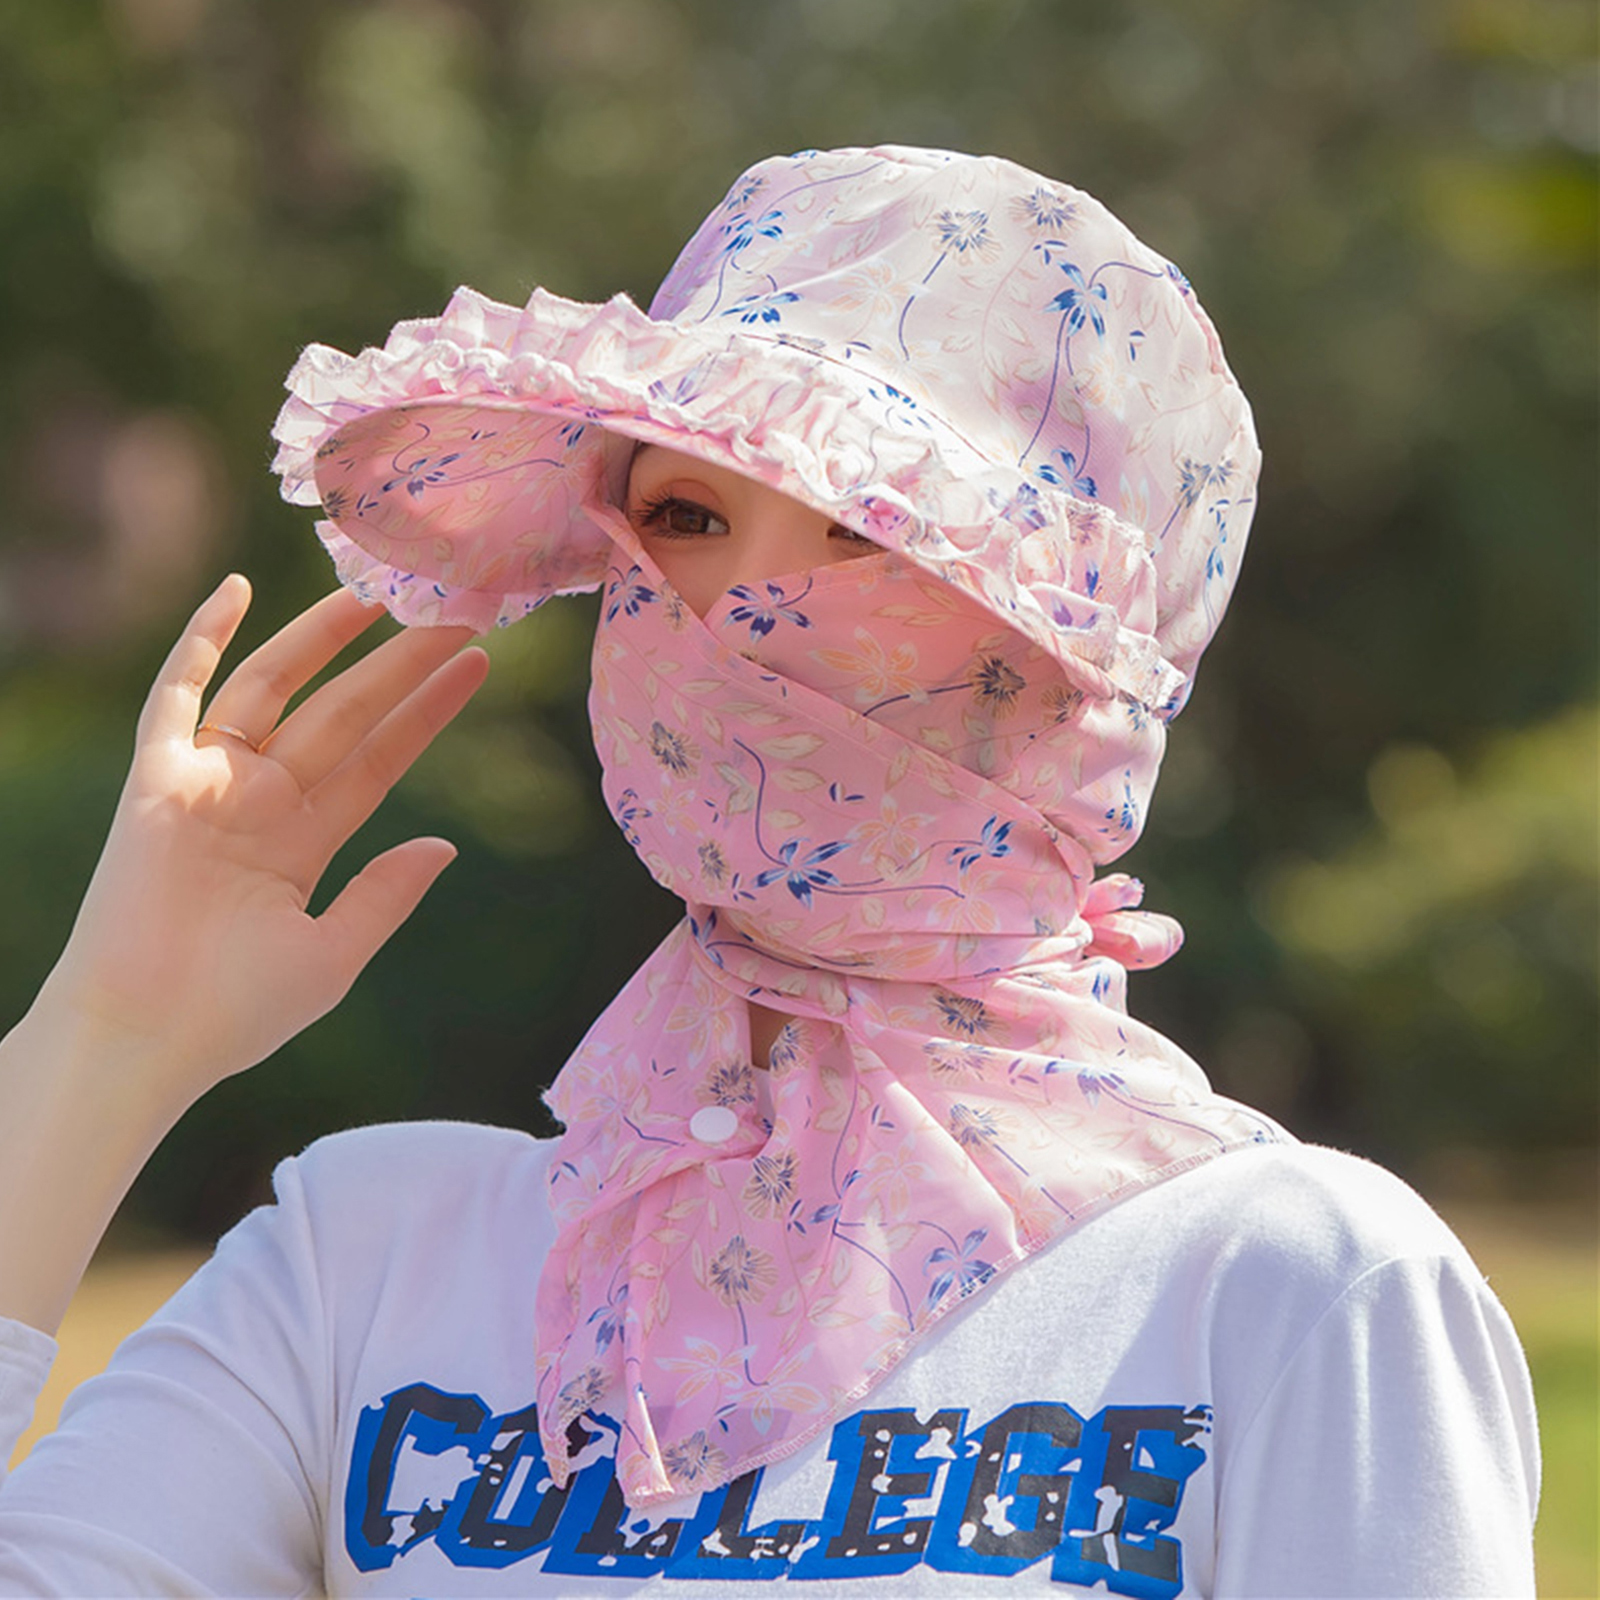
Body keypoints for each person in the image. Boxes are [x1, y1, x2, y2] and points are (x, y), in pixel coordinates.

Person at [0, 146, 1538, 1596]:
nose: (744, 614)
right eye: (682, 517)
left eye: (871, 532)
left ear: (1086, 644)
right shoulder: (363, 1264)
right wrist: (101, 1043)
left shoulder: (1286, 1290)